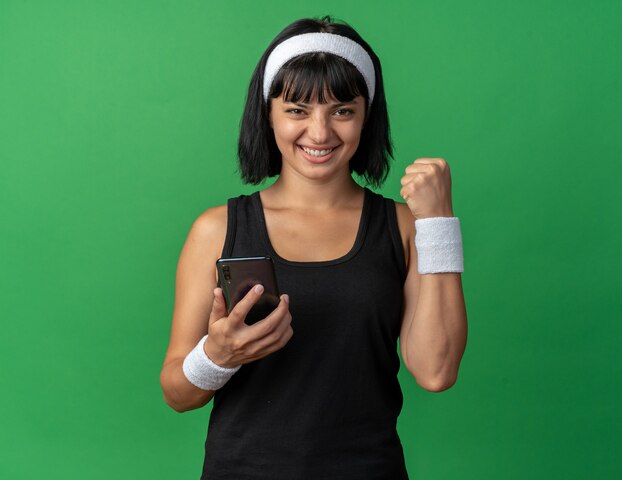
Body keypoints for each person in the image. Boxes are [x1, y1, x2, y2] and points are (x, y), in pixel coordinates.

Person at [160, 16, 468, 479]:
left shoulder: (405, 227)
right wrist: (217, 357)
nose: (320, 133)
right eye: (297, 110)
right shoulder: (216, 228)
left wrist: (440, 222)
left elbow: (436, 372)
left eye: (342, 110)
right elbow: (177, 393)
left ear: (367, 116)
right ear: (268, 114)